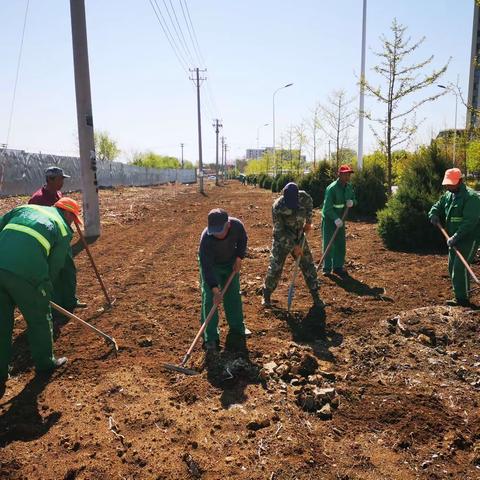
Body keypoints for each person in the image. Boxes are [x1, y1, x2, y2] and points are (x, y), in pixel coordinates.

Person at [0, 197, 83, 398]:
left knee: (1, 323)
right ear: (69, 214)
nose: (73, 223)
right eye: (74, 219)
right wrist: (44, 290)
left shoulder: (23, 209)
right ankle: (45, 363)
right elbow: (55, 267)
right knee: (39, 319)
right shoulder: (63, 229)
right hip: (28, 274)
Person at [29, 166, 85, 314]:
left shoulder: (58, 194)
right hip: (48, 243)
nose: (62, 182)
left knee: (69, 270)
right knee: (53, 273)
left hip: (62, 239)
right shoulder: (37, 199)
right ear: (51, 179)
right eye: (60, 179)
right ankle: (56, 306)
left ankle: (70, 300)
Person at [262, 182, 323, 309]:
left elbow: (310, 206)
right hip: (282, 239)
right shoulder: (277, 206)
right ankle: (266, 294)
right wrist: (294, 247)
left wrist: (309, 222)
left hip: (299, 235)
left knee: (308, 265)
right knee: (275, 267)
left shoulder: (304, 197)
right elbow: (279, 231)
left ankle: (316, 295)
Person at [428, 168, 480, 307]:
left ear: (460, 181)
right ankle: (461, 294)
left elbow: (470, 222)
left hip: (469, 238)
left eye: (451, 184)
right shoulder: (448, 195)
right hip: (453, 238)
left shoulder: (472, 198)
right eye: (447, 184)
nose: (448, 186)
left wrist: (456, 236)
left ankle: (463, 300)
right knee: (452, 267)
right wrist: (433, 214)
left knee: (460, 267)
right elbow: (436, 206)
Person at [198, 208, 248, 351]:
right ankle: (210, 337)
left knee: (233, 296)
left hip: (230, 263)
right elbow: (206, 267)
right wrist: (215, 289)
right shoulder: (206, 238)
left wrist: (239, 257)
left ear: (228, 225)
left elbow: (243, 240)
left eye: (220, 230)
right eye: (214, 231)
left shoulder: (237, 225)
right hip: (212, 266)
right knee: (210, 300)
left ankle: (237, 329)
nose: (217, 234)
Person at [321, 164, 356, 277]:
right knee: (329, 243)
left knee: (341, 243)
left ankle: (338, 266)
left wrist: (352, 202)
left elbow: (354, 199)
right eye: (345, 174)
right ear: (339, 174)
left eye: (348, 174)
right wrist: (335, 218)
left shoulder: (349, 187)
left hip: (342, 219)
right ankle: (326, 268)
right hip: (330, 220)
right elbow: (327, 209)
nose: (347, 176)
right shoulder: (332, 188)